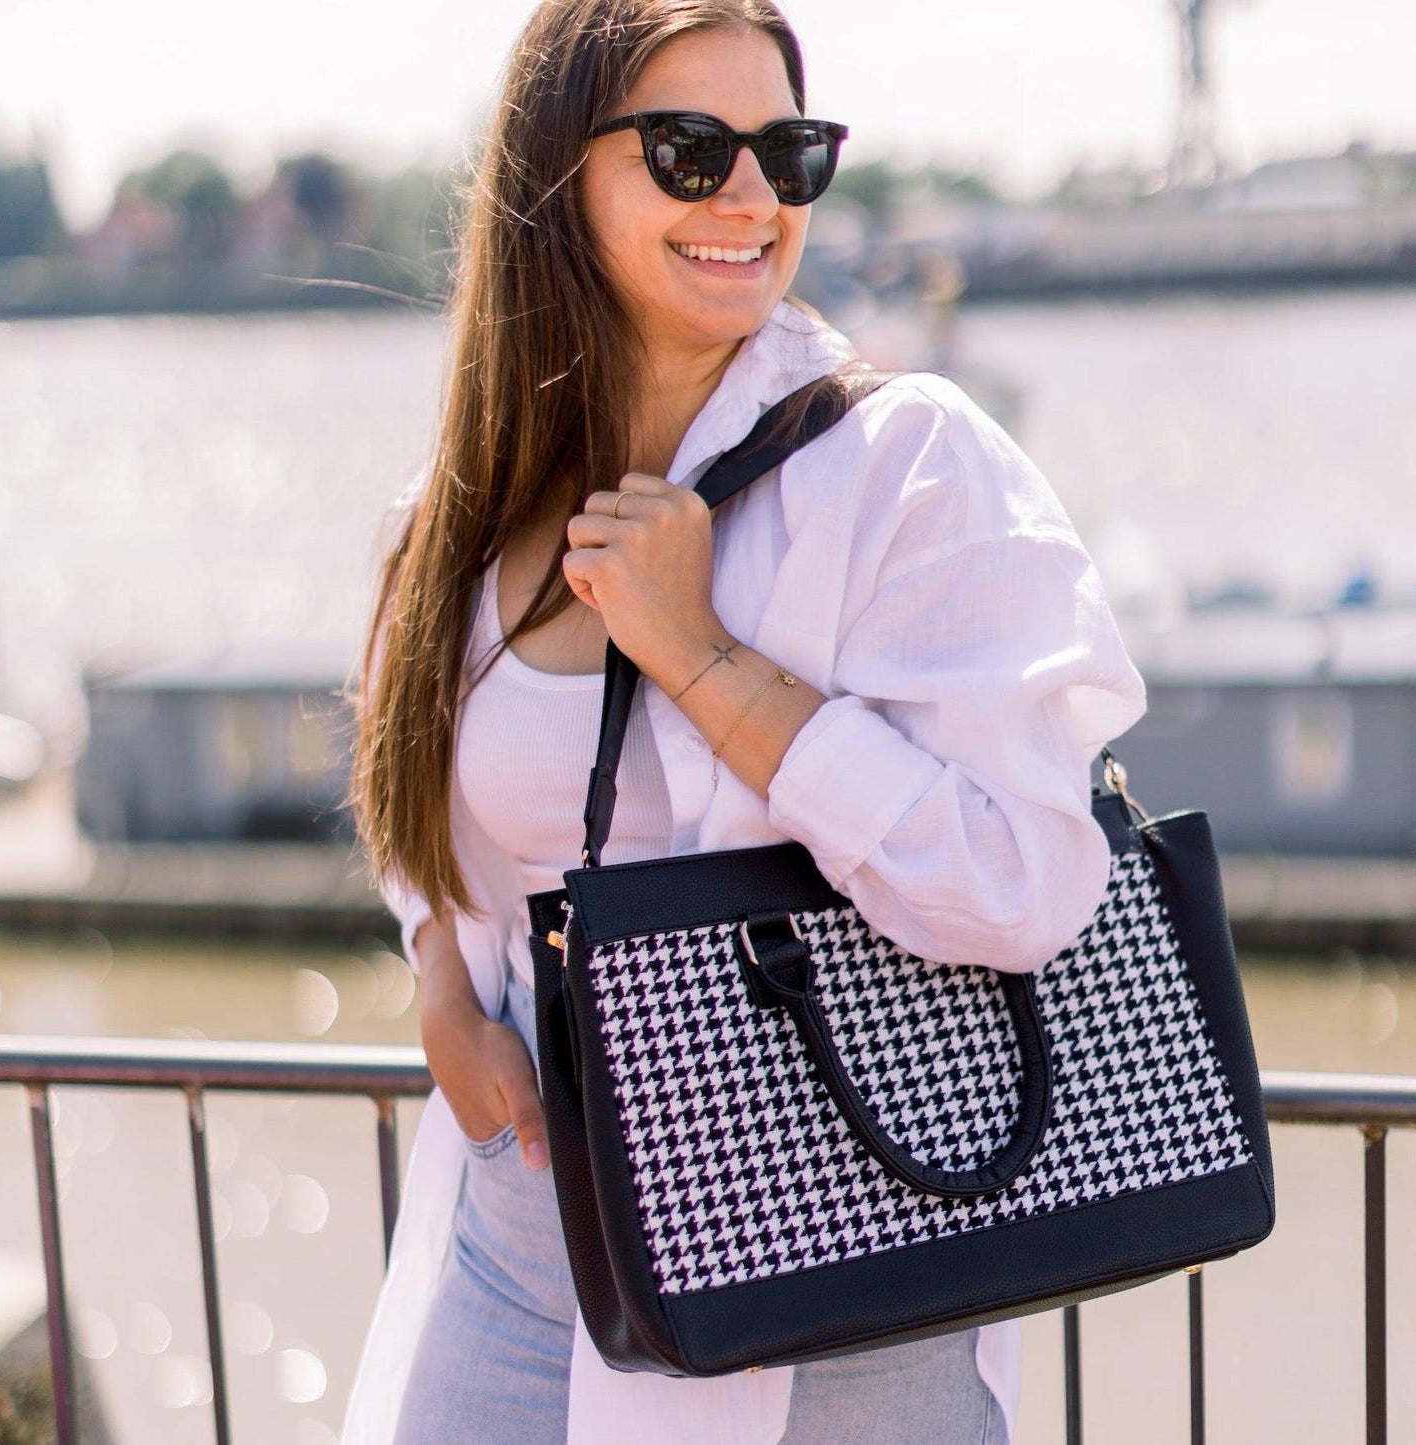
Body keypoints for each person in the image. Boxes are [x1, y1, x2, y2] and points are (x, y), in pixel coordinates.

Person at [343, 1, 1146, 1441]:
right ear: (552, 172)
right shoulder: (455, 509)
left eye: (788, 151)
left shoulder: (904, 462)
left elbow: (1026, 884)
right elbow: (422, 799)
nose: (752, 198)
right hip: (520, 1261)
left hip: (832, 1282)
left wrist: (700, 654)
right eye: (687, 148)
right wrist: (442, 990)